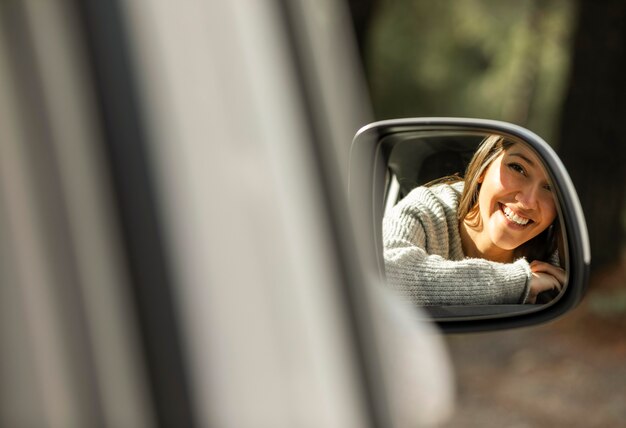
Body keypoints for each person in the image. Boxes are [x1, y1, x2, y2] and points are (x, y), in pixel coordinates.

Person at [383, 135, 565, 305]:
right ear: (483, 168)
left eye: (551, 187)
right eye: (518, 168)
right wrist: (520, 282)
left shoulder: (559, 251)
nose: (527, 202)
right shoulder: (426, 207)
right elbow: (386, 273)